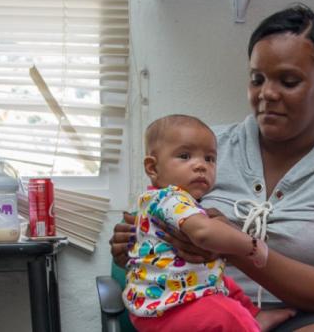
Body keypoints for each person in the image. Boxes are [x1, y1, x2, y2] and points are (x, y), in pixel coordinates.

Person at [112, 4, 314, 332]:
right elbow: (152, 221)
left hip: (302, 319)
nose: (267, 94)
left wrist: (237, 249)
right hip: (202, 309)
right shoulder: (203, 150)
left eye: (288, 81)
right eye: (257, 79)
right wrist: (134, 246)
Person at [125, 114, 296, 332]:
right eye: (185, 156)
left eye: (209, 159)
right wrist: (251, 245)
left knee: (221, 279)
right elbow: (204, 233)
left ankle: (255, 315)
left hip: (176, 295)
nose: (200, 166)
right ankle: (249, 325)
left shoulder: (172, 201)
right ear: (152, 168)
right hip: (167, 307)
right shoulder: (170, 198)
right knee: (228, 315)